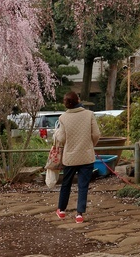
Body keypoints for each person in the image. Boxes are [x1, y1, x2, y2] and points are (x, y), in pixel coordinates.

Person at [54, 91, 100, 224]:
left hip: (70, 157)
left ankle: (61, 210)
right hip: (86, 155)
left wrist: (57, 135)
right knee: (83, 186)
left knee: (66, 184)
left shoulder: (63, 118)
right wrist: (90, 144)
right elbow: (96, 134)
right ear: (78, 100)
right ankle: (79, 214)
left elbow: (62, 138)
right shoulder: (89, 114)